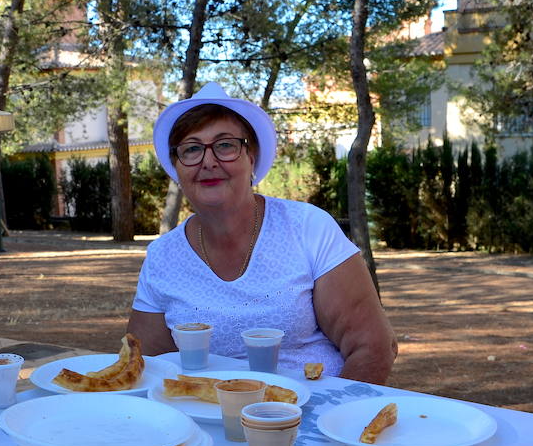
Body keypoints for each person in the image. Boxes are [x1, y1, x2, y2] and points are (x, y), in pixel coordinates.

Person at [128, 83, 397, 383]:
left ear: (251, 157)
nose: (208, 161)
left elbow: (372, 346)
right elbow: (145, 366)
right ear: (178, 169)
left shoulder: (307, 227)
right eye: (191, 149)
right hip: (205, 419)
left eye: (225, 145)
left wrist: (329, 420)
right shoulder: (162, 257)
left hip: (310, 417)